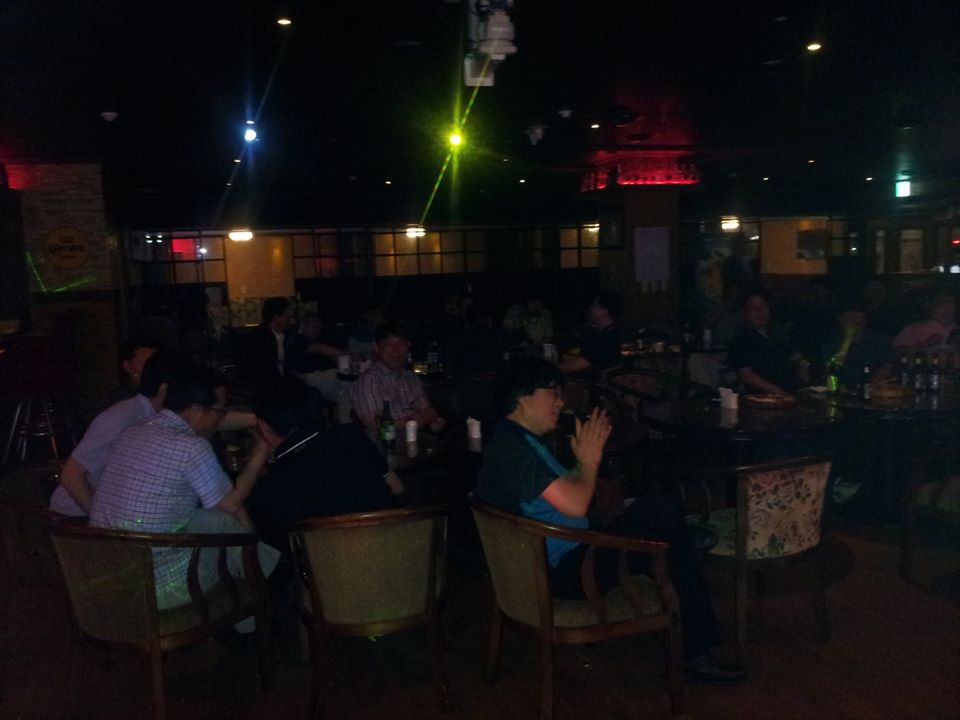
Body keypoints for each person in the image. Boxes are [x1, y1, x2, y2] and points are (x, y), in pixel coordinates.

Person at [476, 356, 743, 683]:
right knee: (660, 509)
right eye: (552, 392)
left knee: (663, 528)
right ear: (521, 395)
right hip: (567, 573)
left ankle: (694, 630)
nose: (560, 402)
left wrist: (583, 466)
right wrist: (589, 461)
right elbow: (575, 504)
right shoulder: (514, 453)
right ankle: (696, 649)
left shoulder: (515, 442)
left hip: (567, 553)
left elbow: (560, 494)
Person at [90, 362, 277, 610]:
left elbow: (224, 509)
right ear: (196, 411)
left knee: (217, 520)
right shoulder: (191, 447)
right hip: (155, 587)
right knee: (232, 530)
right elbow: (232, 504)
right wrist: (261, 451)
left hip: (110, 574)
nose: (222, 417)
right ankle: (264, 594)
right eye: (221, 410)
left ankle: (260, 590)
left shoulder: (134, 431)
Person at [246, 379, 401, 552]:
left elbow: (276, 549)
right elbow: (397, 487)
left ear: (264, 426)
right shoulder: (351, 437)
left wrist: (258, 456)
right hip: (395, 551)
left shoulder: (268, 490)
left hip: (331, 566)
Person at [50, 350, 187, 516]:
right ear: (165, 390)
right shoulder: (124, 417)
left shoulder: (154, 417)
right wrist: (101, 523)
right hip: (77, 516)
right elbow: (72, 475)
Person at [350, 323, 446, 435]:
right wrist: (410, 422)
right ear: (377, 348)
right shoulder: (368, 381)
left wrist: (433, 420)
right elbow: (373, 424)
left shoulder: (411, 377)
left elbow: (426, 408)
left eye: (401, 343)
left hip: (417, 435)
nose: (396, 350)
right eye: (388, 345)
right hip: (385, 440)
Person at [728, 289, 809, 395]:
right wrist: (778, 392)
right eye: (754, 308)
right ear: (744, 312)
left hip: (793, 392)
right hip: (765, 397)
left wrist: (803, 366)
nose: (760, 312)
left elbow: (795, 357)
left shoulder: (776, 336)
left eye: (764, 307)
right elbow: (746, 374)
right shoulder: (743, 340)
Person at [819, 300, 893, 389]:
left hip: (869, 388)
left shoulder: (877, 338)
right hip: (838, 388)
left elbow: (886, 366)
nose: (855, 321)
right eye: (850, 318)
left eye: (859, 317)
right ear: (840, 319)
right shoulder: (834, 338)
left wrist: (870, 385)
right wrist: (847, 340)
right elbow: (831, 368)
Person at [285, 313, 350, 406]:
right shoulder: (297, 339)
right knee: (344, 378)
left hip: (320, 379)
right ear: (303, 325)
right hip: (306, 379)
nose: (317, 331)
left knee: (346, 395)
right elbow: (318, 348)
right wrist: (348, 354)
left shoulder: (315, 340)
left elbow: (329, 355)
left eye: (319, 329)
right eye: (314, 327)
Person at [559, 290, 623, 375]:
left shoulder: (606, 339)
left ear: (604, 310)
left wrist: (551, 369)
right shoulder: (608, 333)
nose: (590, 308)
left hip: (592, 381)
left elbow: (575, 366)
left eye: (594, 305)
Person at [93, 334, 162, 413]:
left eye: (156, 363)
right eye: (145, 363)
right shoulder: (112, 402)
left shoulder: (164, 396)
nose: (152, 368)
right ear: (127, 366)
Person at [241, 296, 295, 389]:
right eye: (286, 314)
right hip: (265, 386)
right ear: (276, 316)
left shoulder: (286, 336)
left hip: (282, 383)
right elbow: (264, 369)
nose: (290, 317)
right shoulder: (259, 338)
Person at [892, 291, 958, 356]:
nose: (947, 310)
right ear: (931, 308)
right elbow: (895, 353)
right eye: (941, 306)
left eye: (951, 307)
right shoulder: (914, 329)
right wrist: (927, 344)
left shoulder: (957, 329)